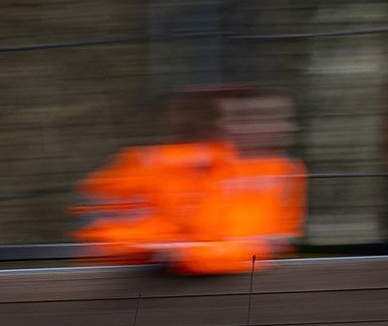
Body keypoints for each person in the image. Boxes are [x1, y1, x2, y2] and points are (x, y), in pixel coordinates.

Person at [75, 86, 306, 274]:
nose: (279, 128)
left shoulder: (282, 172)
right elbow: (103, 233)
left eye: (280, 119)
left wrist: (188, 252)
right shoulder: (156, 164)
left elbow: (266, 245)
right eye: (246, 118)